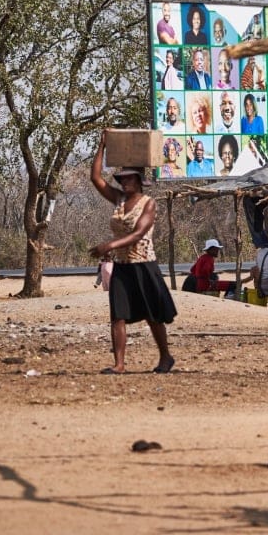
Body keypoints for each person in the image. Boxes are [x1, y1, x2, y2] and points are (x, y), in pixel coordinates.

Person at [87, 132, 178, 375]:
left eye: (129, 178)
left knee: (152, 315)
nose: (124, 182)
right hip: (123, 265)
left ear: (139, 180)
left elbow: (139, 233)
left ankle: (165, 356)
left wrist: (109, 246)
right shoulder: (118, 199)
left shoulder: (148, 203)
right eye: (122, 178)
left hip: (143, 264)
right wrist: (102, 146)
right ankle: (119, 364)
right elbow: (95, 178)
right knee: (118, 315)